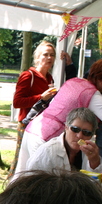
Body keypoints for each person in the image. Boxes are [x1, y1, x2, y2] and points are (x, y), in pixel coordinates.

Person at [8, 41, 60, 177]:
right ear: (37, 57)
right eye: (45, 54)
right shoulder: (28, 76)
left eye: (52, 55)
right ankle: (13, 185)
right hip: (27, 124)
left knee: (38, 160)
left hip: (43, 126)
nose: (49, 58)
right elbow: (17, 102)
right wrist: (40, 98)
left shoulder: (49, 77)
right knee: (22, 160)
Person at [27, 107, 102, 173]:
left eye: (86, 132)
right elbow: (31, 181)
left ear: (92, 135)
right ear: (66, 127)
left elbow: (95, 183)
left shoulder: (90, 154)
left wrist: (94, 161)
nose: (79, 136)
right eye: (75, 129)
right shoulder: (48, 151)